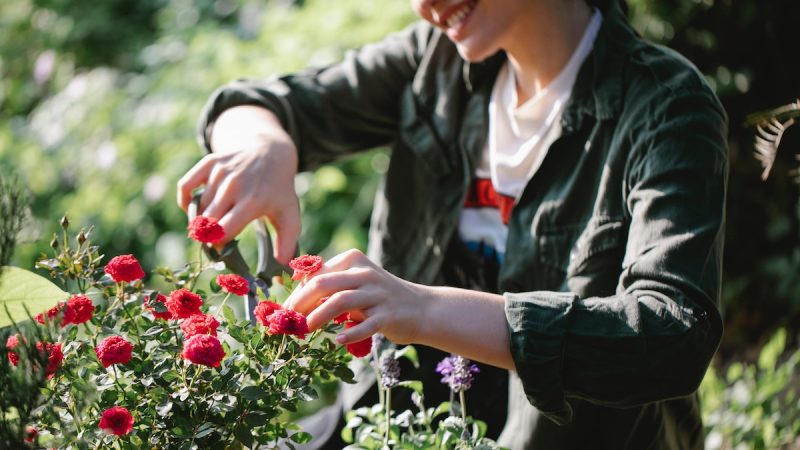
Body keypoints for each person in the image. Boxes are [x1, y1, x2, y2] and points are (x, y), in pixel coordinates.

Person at [177, 0, 728, 448]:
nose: (423, 7)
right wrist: (264, 147)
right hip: (391, 421)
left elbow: (670, 333)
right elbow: (259, 103)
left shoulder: (664, 105)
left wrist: (421, 309)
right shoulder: (433, 61)